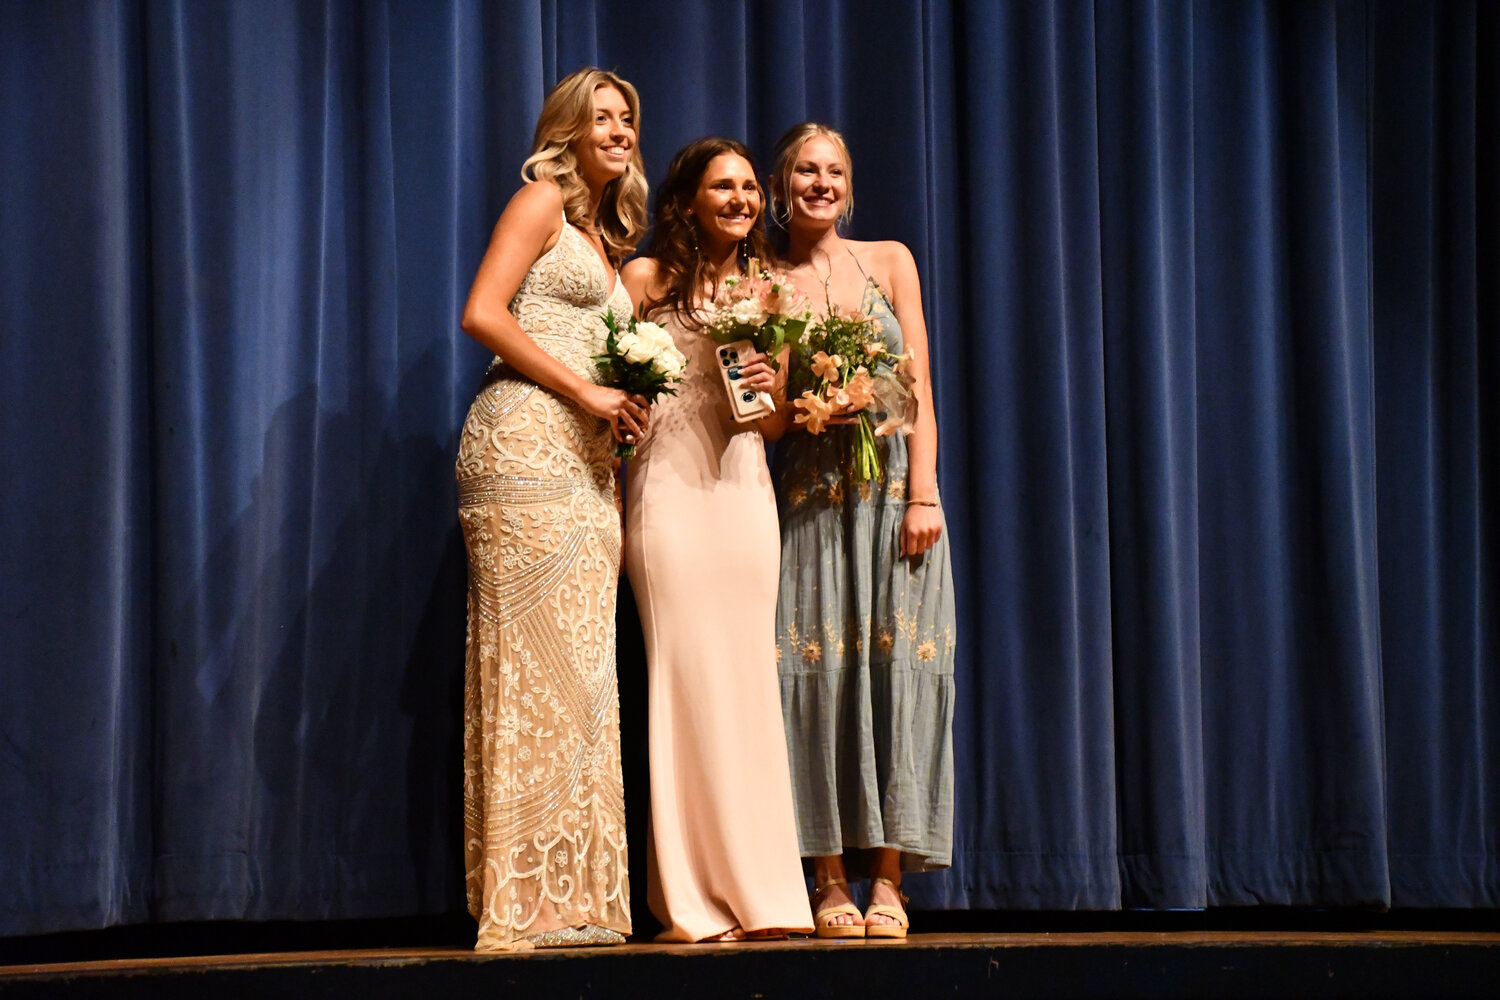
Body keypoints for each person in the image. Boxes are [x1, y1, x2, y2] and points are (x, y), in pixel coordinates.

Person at [455, 67, 650, 952]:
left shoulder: (604, 239)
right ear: (566, 130)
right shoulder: (538, 201)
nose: (618, 130)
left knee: (583, 678)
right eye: (601, 117)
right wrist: (584, 390)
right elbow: (483, 314)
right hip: (522, 443)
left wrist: (622, 408)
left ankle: (575, 898)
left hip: (585, 463)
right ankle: (523, 905)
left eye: (627, 119)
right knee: (528, 667)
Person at [619, 137, 815, 943]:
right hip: (666, 495)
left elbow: (768, 428)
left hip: (741, 497)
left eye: (746, 187)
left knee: (743, 687)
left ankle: (764, 894)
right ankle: (692, 902)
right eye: (722, 186)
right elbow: (606, 383)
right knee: (681, 682)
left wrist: (774, 386)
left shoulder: (769, 292)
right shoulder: (644, 280)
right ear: (689, 198)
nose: (740, 198)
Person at [764, 122, 956, 940]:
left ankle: (889, 879)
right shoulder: (762, 280)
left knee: (898, 677)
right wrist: (808, 398)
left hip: (890, 506)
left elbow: (918, 388)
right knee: (818, 681)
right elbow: (762, 415)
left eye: (833, 170)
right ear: (782, 186)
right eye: (806, 170)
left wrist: (925, 494)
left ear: (850, 184)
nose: (820, 183)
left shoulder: (890, 260)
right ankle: (828, 876)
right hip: (811, 497)